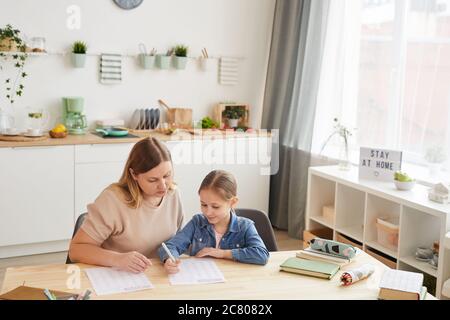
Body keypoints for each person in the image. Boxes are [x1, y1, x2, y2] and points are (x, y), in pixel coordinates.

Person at [69, 137, 184, 273]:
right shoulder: (112, 200)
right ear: (134, 174)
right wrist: (118, 259)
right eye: (153, 180)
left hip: (158, 278)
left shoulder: (173, 194)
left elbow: (177, 242)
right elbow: (76, 250)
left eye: (167, 175)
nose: (163, 186)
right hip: (117, 278)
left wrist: (171, 258)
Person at [158, 170, 269, 273]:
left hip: (234, 282)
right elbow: (170, 247)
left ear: (233, 203)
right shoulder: (197, 222)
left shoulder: (245, 226)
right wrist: (169, 258)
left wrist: (224, 253)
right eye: (204, 205)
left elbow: (262, 255)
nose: (208, 212)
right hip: (203, 282)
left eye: (215, 207)